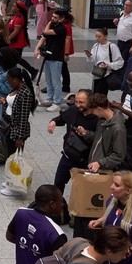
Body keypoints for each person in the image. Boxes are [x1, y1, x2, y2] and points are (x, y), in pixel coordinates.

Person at [6, 185, 67, 264]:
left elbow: (10, 236)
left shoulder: (21, 213)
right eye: (61, 201)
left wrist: (26, 247)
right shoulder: (56, 234)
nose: (63, 205)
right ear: (52, 204)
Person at [47, 89, 99, 220]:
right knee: (58, 184)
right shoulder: (73, 111)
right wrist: (53, 122)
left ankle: (79, 215)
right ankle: (57, 213)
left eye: (81, 102)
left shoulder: (98, 118)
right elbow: (61, 118)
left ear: (90, 101)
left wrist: (86, 134)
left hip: (86, 160)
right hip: (68, 155)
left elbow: (101, 140)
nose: (78, 105)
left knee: (82, 190)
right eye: (76, 101)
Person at [0, 67, 37, 196]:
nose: (8, 83)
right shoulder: (17, 89)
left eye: (9, 80)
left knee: (16, 158)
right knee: (10, 156)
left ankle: (14, 187)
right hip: (10, 125)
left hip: (17, 130)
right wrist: (4, 101)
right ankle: (10, 180)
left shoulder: (25, 94)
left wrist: (19, 137)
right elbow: (15, 106)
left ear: (16, 79)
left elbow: (23, 117)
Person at [77, 93, 126, 173]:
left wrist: (100, 163)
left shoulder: (118, 129)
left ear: (99, 109)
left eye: (93, 111)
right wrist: (86, 133)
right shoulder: (102, 120)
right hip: (95, 166)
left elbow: (119, 155)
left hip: (104, 169)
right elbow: (99, 139)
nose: (92, 113)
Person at [35, 8, 68, 112]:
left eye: (55, 17)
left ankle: (57, 102)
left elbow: (45, 31)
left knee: (56, 81)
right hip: (48, 56)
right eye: (52, 17)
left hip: (56, 57)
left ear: (61, 19)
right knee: (48, 80)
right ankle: (50, 98)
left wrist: (49, 22)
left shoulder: (62, 28)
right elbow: (43, 37)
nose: (53, 19)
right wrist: (37, 48)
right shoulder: (53, 26)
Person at [86, 27, 124, 94]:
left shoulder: (112, 46)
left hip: (107, 74)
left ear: (105, 36)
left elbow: (120, 62)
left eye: (99, 36)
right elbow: (93, 59)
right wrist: (89, 56)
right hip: (97, 73)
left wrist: (109, 65)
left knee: (101, 93)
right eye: (96, 36)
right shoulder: (96, 45)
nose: (97, 38)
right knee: (95, 92)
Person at [113, 0, 132, 64]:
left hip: (128, 43)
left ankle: (124, 73)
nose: (125, 6)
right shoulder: (122, 13)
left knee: (124, 60)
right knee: (118, 58)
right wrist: (116, 23)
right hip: (120, 41)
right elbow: (124, 27)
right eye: (125, 4)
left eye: (128, 5)